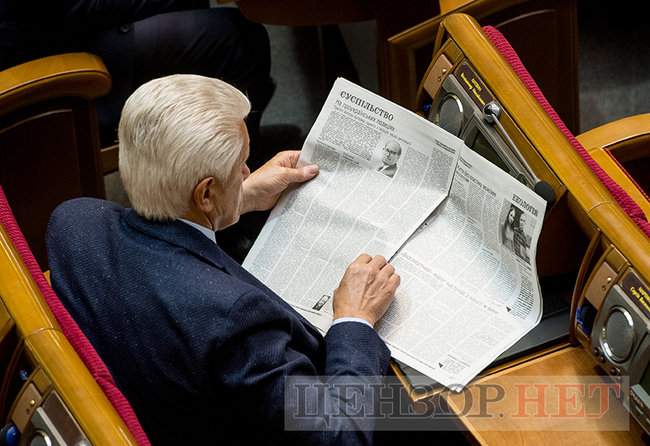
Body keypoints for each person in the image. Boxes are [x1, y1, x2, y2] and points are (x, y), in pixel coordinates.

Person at [46, 75, 400, 445]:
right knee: (443, 411)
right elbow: (341, 438)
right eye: (242, 165)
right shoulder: (235, 321)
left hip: (158, 396)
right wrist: (354, 319)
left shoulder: (73, 224)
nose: (248, 171)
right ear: (205, 193)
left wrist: (238, 198)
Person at [0, 1, 274, 154]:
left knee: (202, 13)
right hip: (54, 71)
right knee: (239, 39)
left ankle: (202, 152)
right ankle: (235, 196)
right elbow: (75, 11)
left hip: (65, 27)